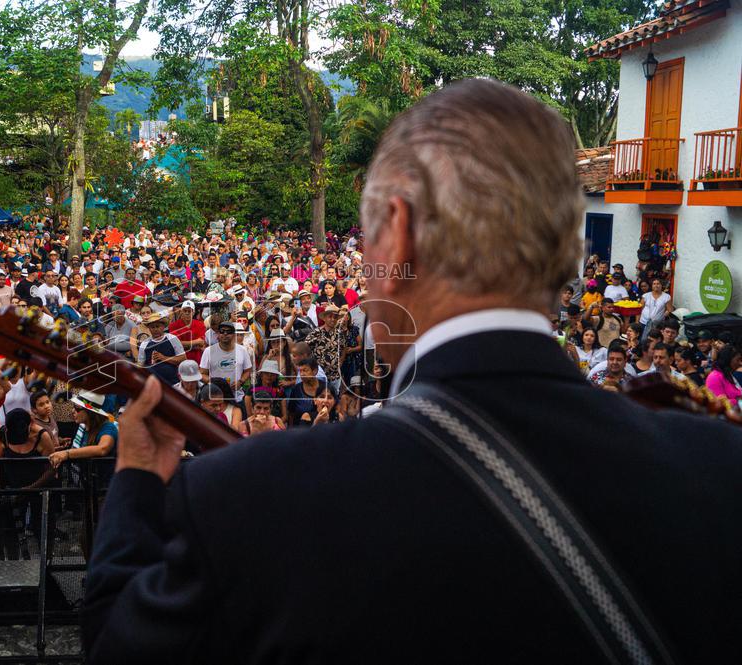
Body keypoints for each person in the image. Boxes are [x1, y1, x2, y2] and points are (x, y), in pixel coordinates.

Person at [81, 80, 742, 663]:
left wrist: (137, 482)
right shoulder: (721, 469)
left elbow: (117, 642)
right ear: (569, 246)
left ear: (396, 233)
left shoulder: (248, 499)